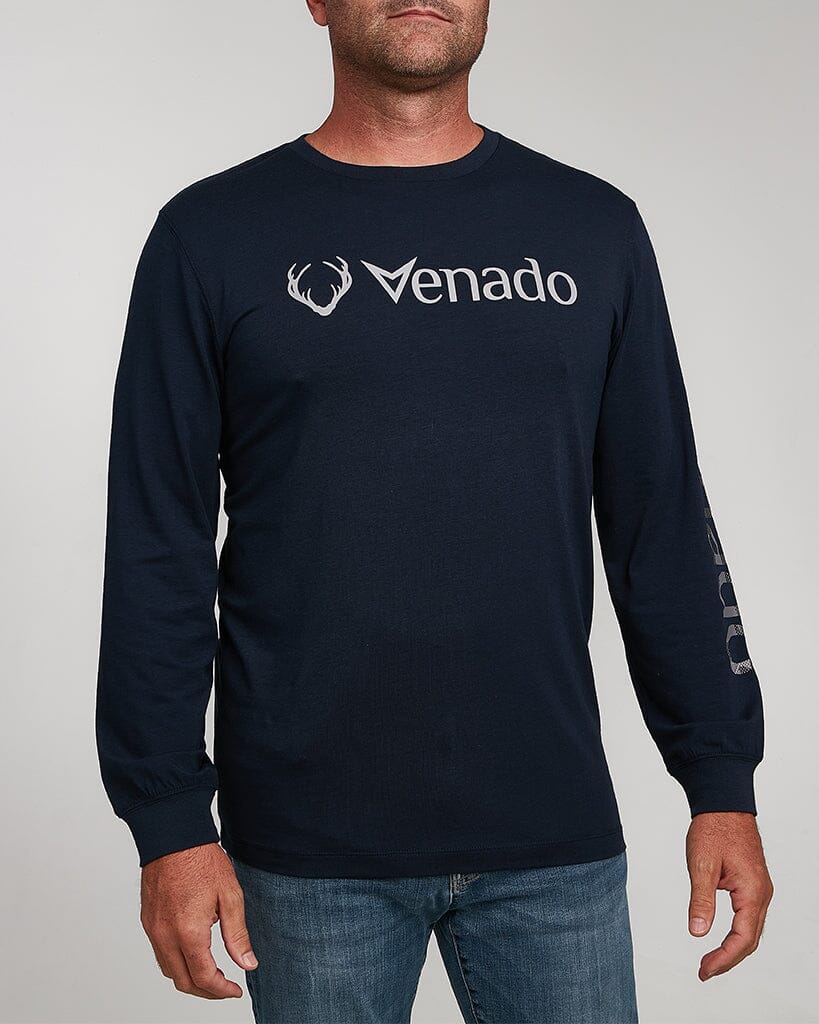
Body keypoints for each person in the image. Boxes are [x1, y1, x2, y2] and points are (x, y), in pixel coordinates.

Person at [94, 1, 774, 1020]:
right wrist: (168, 819)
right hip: (306, 850)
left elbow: (661, 518)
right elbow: (159, 540)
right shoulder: (211, 235)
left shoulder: (592, 228)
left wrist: (720, 777)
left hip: (551, 835)